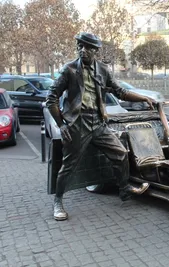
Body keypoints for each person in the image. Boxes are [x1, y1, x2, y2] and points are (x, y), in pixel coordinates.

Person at [46, 32, 155, 221]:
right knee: (68, 166)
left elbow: (120, 92)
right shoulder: (69, 70)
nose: (83, 50)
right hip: (77, 124)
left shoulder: (102, 70)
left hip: (98, 122)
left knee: (120, 153)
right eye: (80, 46)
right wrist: (62, 125)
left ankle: (124, 189)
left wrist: (143, 97)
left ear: (96, 51)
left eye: (88, 47)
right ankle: (58, 201)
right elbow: (51, 98)